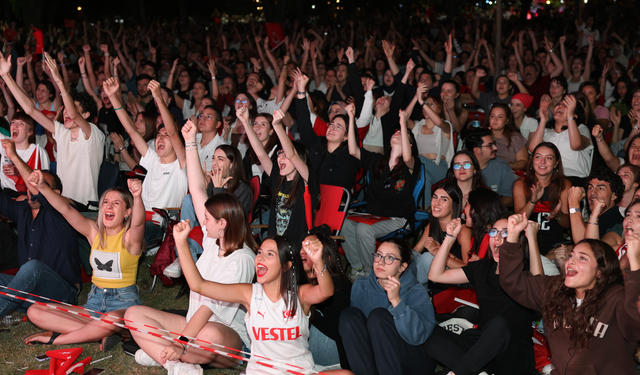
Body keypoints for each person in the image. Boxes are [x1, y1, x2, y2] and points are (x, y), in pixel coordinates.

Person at [125, 122, 258, 371]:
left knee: (209, 335)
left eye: (206, 219)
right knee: (133, 314)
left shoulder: (243, 258)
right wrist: (190, 143)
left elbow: (209, 307)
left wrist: (183, 341)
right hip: (193, 324)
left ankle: (165, 352)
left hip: (227, 335)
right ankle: (175, 365)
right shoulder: (213, 240)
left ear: (223, 224)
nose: (201, 222)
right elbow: (196, 188)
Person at [172, 228, 352, 375]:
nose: (260, 258)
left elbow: (326, 291)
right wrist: (181, 243)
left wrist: (318, 261)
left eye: (269, 254)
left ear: (286, 265)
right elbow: (199, 285)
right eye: (259, 252)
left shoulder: (300, 295)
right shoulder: (249, 293)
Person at [499, 213, 640, 375]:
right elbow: (512, 281)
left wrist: (635, 263)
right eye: (571, 255)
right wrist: (512, 235)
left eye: (582, 258)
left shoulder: (616, 299)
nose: (571, 261)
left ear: (600, 272)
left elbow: (636, 323)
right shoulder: (555, 289)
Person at [24, 173, 144, 351]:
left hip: (123, 306)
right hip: (94, 305)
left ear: (127, 212)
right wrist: (42, 187)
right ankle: (104, 333)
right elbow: (66, 209)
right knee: (34, 310)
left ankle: (57, 339)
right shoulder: (93, 231)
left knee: (109, 320)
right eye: (105, 202)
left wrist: (137, 197)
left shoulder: (130, 238)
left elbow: (139, 223)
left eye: (116, 203)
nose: (108, 206)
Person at [426, 216, 539, 375]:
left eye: (505, 233)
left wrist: (532, 238)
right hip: (485, 345)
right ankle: (476, 370)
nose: (498, 237)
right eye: (494, 232)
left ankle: (460, 371)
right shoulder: (482, 268)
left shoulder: (525, 273)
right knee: (427, 332)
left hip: (514, 351)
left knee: (499, 325)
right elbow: (435, 276)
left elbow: (540, 285)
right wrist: (450, 238)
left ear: (517, 241)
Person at [0, 52, 105, 210]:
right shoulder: (62, 132)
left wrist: (58, 80)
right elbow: (30, 110)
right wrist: (6, 75)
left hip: (84, 208)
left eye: (73, 109)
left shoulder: (94, 134)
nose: (67, 113)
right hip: (61, 205)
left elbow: (73, 114)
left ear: (86, 115)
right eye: (66, 109)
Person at [0, 141, 79, 319]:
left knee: (32, 267)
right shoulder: (22, 210)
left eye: (38, 183)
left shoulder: (62, 211)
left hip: (61, 294)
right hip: (29, 294)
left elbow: (40, 193)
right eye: (30, 183)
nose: (31, 187)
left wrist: (13, 155)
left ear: (56, 193)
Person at [164, 121, 254, 279]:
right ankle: (191, 268)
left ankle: (192, 270)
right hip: (208, 231)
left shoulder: (243, 189)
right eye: (213, 158)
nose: (214, 163)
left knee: (189, 239)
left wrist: (218, 189)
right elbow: (201, 201)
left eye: (220, 159)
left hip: (230, 237)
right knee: (189, 199)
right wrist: (209, 187)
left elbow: (226, 219)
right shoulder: (213, 183)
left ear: (232, 165)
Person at [104, 77, 188, 244]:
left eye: (166, 136)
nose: (160, 139)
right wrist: (113, 97)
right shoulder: (153, 158)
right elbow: (130, 129)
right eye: (158, 136)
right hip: (138, 217)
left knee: (122, 233)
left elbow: (172, 132)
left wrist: (158, 98)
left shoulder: (182, 165)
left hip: (160, 225)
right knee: (99, 225)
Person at [339, 239, 437, 375]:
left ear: (402, 267)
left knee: (379, 316)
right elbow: (357, 334)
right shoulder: (360, 286)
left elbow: (418, 337)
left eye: (390, 258)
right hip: (379, 356)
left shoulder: (415, 290)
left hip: (412, 358)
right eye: (378, 255)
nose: (381, 262)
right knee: (349, 315)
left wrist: (397, 301)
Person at [343, 109, 418, 280]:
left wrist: (403, 123)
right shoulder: (377, 160)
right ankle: (357, 269)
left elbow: (407, 158)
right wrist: (351, 117)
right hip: (373, 215)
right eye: (396, 131)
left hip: (398, 217)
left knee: (363, 230)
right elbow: (354, 150)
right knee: (345, 224)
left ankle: (372, 273)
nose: (398, 132)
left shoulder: (412, 164)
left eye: (403, 134)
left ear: (410, 144)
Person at [243, 107, 317, 242]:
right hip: (275, 245)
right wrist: (246, 123)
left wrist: (277, 126)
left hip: (296, 248)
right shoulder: (278, 178)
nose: (280, 158)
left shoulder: (306, 181)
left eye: (285, 155)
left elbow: (292, 154)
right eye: (279, 154)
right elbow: (260, 153)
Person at [294, 68, 358, 192]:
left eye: (338, 127)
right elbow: (304, 122)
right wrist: (301, 90)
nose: (332, 128)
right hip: (307, 199)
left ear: (346, 136)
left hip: (331, 204)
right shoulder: (316, 143)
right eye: (331, 124)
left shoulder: (349, 156)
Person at [300, 229, 352, 369]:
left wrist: (307, 306)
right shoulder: (298, 282)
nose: (304, 252)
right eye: (303, 248)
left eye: (311, 249)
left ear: (325, 259)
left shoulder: (339, 285)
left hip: (330, 358)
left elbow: (338, 330)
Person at [513, 142, 571, 255]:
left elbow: (568, 224)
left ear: (555, 164)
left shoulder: (564, 184)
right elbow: (517, 222)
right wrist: (532, 201)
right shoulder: (521, 184)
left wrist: (558, 215)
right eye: (538, 157)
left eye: (549, 158)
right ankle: (542, 263)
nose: (542, 162)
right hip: (527, 243)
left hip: (555, 243)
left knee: (572, 251)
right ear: (532, 161)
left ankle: (543, 262)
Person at [529, 95, 593, 187]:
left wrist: (570, 116)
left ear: (575, 114)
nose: (560, 106)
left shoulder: (581, 129)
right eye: (559, 104)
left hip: (574, 177)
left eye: (566, 106)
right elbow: (533, 149)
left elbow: (576, 145)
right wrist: (543, 120)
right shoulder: (546, 131)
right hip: (549, 176)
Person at [405, 84, 453, 206]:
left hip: (439, 168)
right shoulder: (417, 126)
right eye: (426, 104)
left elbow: (438, 122)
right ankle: (425, 209)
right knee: (424, 176)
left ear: (439, 109)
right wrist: (416, 97)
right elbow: (403, 119)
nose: (426, 106)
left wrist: (422, 101)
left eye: (432, 104)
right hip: (421, 169)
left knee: (418, 160)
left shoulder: (445, 126)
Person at [414, 183, 472, 282]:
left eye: (444, 199)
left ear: (454, 206)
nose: (436, 203)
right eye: (435, 197)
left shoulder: (463, 230)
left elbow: (469, 269)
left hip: (456, 278)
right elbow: (416, 251)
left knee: (427, 258)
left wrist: (439, 253)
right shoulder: (433, 224)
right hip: (434, 276)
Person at [568, 168, 625, 243]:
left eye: (600, 188)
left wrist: (573, 204)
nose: (593, 193)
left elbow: (583, 246)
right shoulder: (602, 217)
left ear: (614, 195)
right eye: (590, 188)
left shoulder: (612, 220)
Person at [0, 113, 50, 196]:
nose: (15, 126)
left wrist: (18, 172)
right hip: (5, 194)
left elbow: (45, 182)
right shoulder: (5, 143)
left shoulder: (38, 151)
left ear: (30, 132)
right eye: (13, 122)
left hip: (27, 197)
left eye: (21, 124)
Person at [464, 128, 514, 208]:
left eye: (494, 144)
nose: (495, 148)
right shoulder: (461, 168)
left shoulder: (502, 167)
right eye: (490, 145)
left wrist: (487, 207)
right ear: (477, 150)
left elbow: (510, 199)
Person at [465, 189, 509, 260]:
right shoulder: (479, 234)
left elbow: (474, 268)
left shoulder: (491, 237)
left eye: (467, 204)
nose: (465, 208)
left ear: (475, 210)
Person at [484, 103, 528, 170]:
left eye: (500, 117)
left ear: (507, 121)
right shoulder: (483, 136)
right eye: (492, 116)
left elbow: (523, 161)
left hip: (509, 171)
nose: (495, 120)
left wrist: (506, 166)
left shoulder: (515, 137)